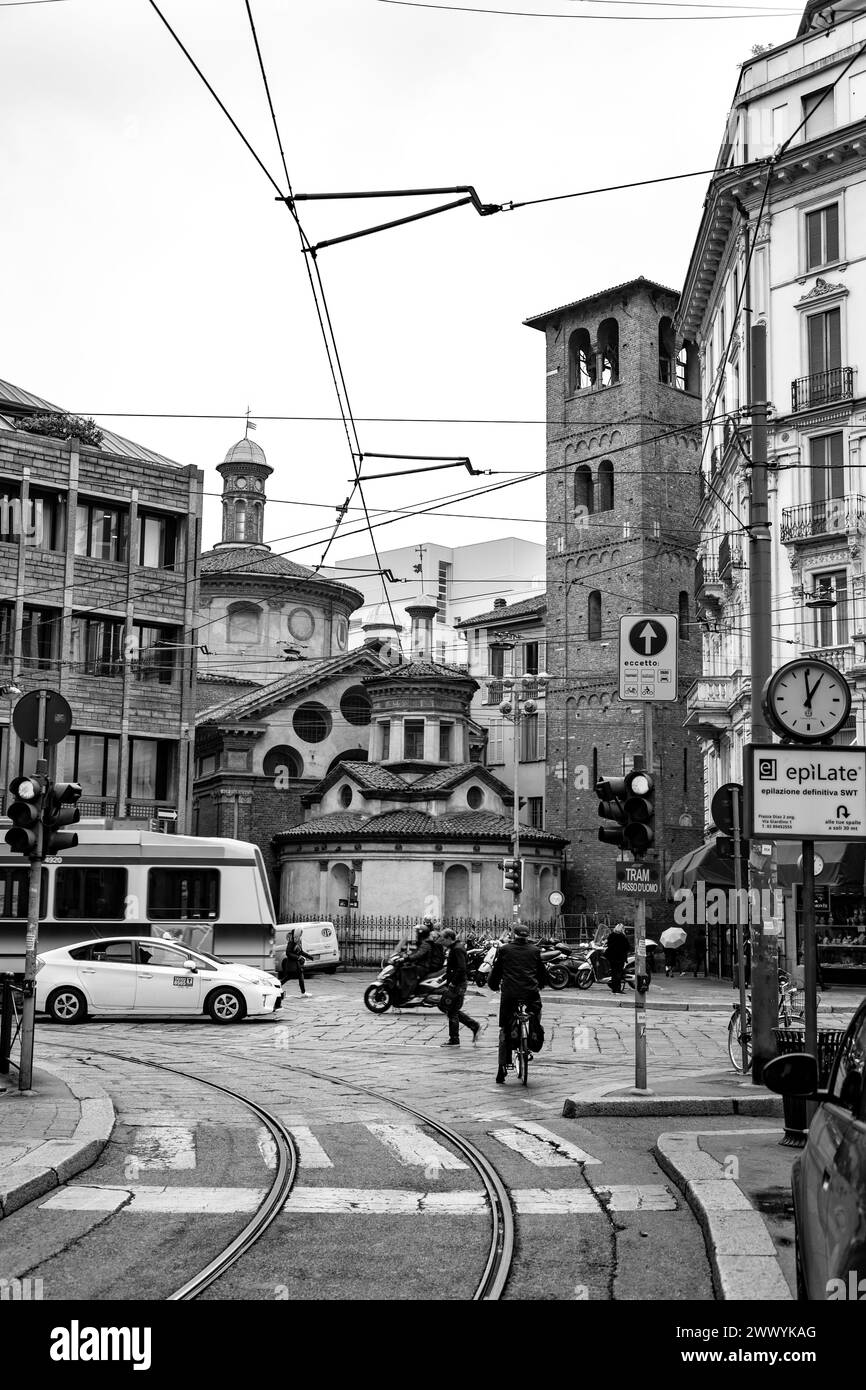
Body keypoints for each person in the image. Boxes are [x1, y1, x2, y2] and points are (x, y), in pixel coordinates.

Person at [488, 923, 546, 1084]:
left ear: (513, 935)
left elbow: (497, 970)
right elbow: (542, 972)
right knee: (536, 1013)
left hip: (510, 994)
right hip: (530, 993)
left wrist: (493, 984)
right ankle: (534, 1029)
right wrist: (540, 984)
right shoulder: (535, 951)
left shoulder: (505, 949)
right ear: (527, 936)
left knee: (504, 1029)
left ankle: (501, 1069)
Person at [438, 928, 480, 1047]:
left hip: (458, 985)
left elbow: (461, 968)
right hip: (456, 983)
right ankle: (473, 1026)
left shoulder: (457, 949)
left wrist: (453, 982)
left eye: (442, 938)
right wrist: (444, 977)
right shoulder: (455, 948)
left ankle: (455, 1039)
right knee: (449, 1009)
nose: (441, 940)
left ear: (449, 938)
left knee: (452, 1011)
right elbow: (454, 968)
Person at [279, 930, 313, 996]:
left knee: (299, 977)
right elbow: (288, 953)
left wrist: (310, 957)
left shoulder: (297, 943)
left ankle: (303, 992)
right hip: (292, 965)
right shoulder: (291, 943)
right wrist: (298, 957)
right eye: (299, 935)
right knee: (288, 977)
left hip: (296, 965)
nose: (300, 937)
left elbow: (301, 952)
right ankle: (277, 986)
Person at [605, 923, 630, 993]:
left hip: (611, 957)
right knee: (618, 973)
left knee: (613, 972)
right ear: (622, 929)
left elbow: (608, 944)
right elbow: (627, 946)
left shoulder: (611, 935)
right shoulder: (622, 936)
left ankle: (614, 988)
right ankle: (617, 989)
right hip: (619, 957)